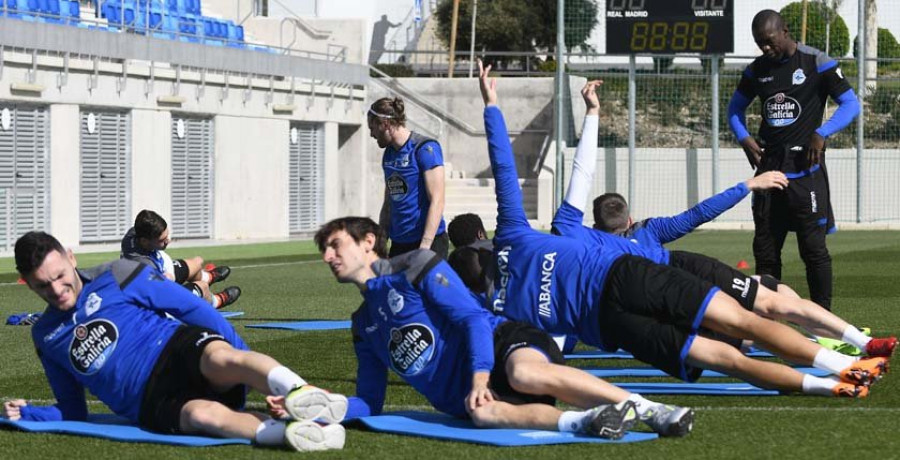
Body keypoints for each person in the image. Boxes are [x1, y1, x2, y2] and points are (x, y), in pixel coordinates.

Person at [470, 59, 886, 399]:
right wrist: (494, 105)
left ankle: (832, 382)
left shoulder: (508, 302)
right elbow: (541, 172)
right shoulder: (617, 234)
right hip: (646, 279)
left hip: (610, 322)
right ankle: (844, 364)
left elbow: (542, 342)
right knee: (754, 319)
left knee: (734, 349)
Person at [558, 81, 895, 358]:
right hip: (688, 285)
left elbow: (569, 314)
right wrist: (747, 185)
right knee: (772, 294)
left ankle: (821, 352)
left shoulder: (588, 250)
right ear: (629, 217)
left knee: (745, 333)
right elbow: (698, 214)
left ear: (594, 227)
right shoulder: (648, 231)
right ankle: (844, 342)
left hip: (676, 308)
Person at [313, 216, 696, 438]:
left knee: (524, 373)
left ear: (367, 242)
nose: (328, 257)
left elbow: (473, 318)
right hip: (475, 398)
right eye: (324, 251)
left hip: (501, 344)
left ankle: (652, 411)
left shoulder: (413, 266)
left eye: (334, 245)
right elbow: (370, 401)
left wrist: (480, 377)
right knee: (482, 416)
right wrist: (320, 408)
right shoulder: (363, 325)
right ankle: (587, 421)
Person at [3, 231, 349, 452]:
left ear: (70, 258)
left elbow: (190, 307)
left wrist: (244, 364)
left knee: (223, 360)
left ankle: (300, 392)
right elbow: (73, 409)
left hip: (173, 348)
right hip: (148, 400)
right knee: (205, 417)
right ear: (28, 284)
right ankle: (295, 435)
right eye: (42, 286)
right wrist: (32, 413)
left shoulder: (117, 275)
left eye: (60, 276)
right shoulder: (45, 336)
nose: (57, 290)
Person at [727, 9, 860, 310]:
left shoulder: (816, 62)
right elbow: (733, 110)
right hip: (768, 172)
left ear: (785, 31)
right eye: (760, 43)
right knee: (766, 251)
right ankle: (766, 323)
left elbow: (851, 104)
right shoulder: (756, 69)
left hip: (806, 171)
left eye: (770, 41)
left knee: (813, 250)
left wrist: (822, 132)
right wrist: (744, 137)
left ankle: (824, 324)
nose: (765, 48)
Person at [369, 97, 449, 259]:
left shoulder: (425, 148)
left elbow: (437, 200)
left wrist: (425, 247)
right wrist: (382, 240)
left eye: (373, 128)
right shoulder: (389, 154)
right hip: (400, 245)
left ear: (385, 124)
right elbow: (389, 202)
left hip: (428, 243)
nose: (371, 134)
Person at [121, 210, 241, 309]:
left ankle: (208, 277)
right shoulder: (145, 266)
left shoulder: (135, 233)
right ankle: (217, 301)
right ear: (144, 241)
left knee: (195, 265)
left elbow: (164, 258)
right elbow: (165, 289)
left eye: (167, 236)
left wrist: (171, 274)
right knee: (202, 287)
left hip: (162, 277)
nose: (168, 241)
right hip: (156, 301)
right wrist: (170, 277)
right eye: (162, 240)